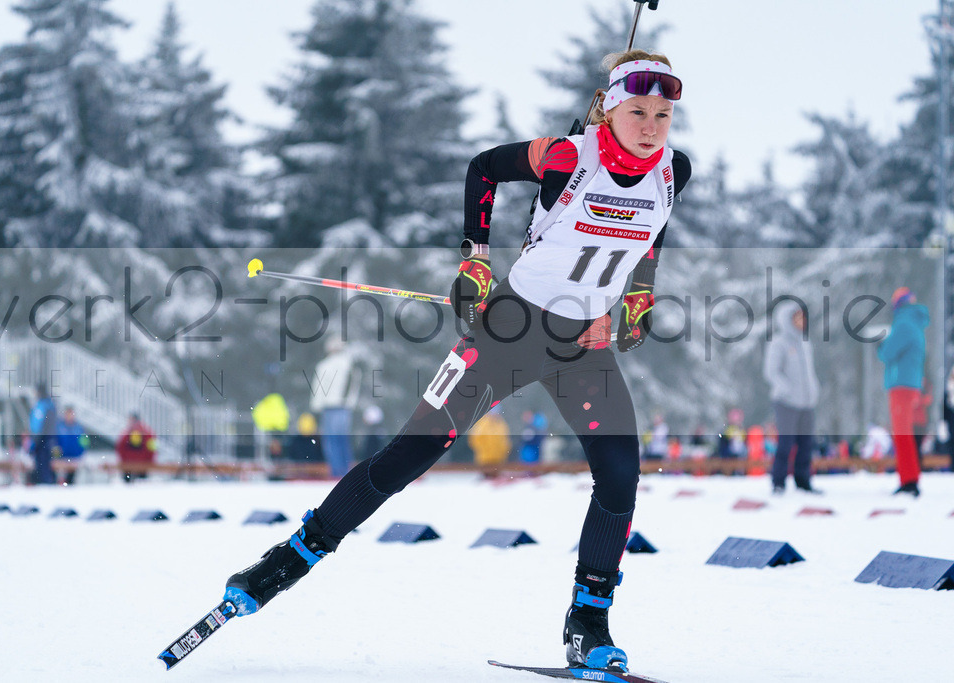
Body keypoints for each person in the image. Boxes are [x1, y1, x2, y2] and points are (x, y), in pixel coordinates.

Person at [222, 49, 690, 672]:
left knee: (620, 476)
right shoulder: (566, 157)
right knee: (410, 454)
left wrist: (634, 295)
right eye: (638, 111)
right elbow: (482, 170)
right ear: (608, 107)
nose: (653, 125)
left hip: (583, 347)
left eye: (663, 114)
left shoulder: (672, 171)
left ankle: (588, 623)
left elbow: (648, 235)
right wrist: (474, 256)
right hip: (510, 330)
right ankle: (288, 559)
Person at [762, 301, 821, 494]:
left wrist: (813, 390)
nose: (801, 321)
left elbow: (809, 372)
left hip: (807, 402)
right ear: (787, 320)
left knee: (806, 444)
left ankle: (803, 481)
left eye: (803, 317)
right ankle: (778, 482)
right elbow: (771, 372)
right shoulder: (778, 343)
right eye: (797, 317)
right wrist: (785, 388)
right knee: (785, 443)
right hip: (786, 402)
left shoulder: (805, 343)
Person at [877, 287, 929, 496]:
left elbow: (887, 353)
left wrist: (881, 346)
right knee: (904, 433)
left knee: (901, 434)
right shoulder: (915, 322)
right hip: (911, 384)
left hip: (901, 385)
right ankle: (911, 477)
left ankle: (909, 480)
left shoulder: (904, 323)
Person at [309, 336, 363, 478]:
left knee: (331, 441)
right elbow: (354, 387)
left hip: (330, 407)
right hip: (343, 408)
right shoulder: (350, 364)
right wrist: (349, 403)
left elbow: (318, 388)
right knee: (342, 440)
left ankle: (336, 472)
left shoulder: (325, 365)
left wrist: (315, 407)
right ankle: (345, 472)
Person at [28, 383, 58, 485]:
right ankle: (45, 482)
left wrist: (36, 440)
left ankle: (44, 483)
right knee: (43, 463)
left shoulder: (43, 405)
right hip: (44, 438)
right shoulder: (47, 404)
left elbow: (41, 424)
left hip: (42, 439)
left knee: (42, 463)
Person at [115, 412, 156, 483]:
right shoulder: (146, 431)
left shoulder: (127, 432)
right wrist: (148, 461)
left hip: (129, 464)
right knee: (142, 484)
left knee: (127, 483)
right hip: (143, 463)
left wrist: (124, 461)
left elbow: (120, 447)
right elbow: (152, 448)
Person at [55, 407, 89, 485]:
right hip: (62, 457)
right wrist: (57, 455)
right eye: (67, 414)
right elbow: (55, 442)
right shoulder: (59, 427)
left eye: (71, 414)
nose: (69, 416)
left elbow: (85, 443)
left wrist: (80, 454)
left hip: (75, 457)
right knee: (61, 476)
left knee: (71, 478)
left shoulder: (79, 428)